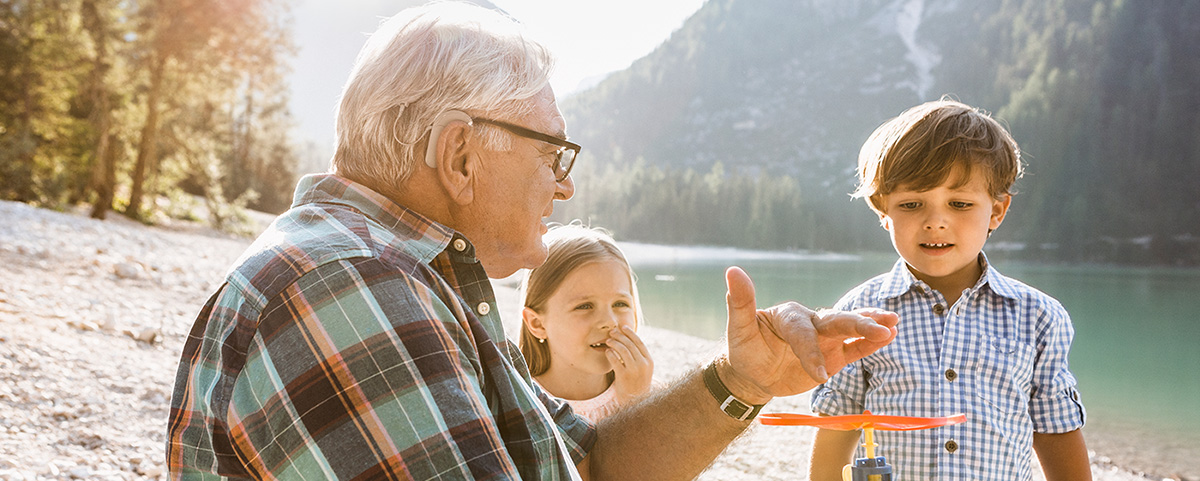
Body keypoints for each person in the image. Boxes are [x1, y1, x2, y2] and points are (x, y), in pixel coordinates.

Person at [166, 3, 899, 480]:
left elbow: (590, 461)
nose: (564, 185)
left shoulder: (406, 278)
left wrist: (743, 380)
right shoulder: (349, 283)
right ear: (460, 155)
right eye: (553, 153)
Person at [808, 99, 1089, 481]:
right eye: (911, 204)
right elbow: (836, 427)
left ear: (996, 211)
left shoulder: (1038, 317)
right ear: (883, 211)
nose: (935, 222)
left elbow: (1056, 430)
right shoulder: (860, 313)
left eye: (959, 204)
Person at [518, 224, 657, 422]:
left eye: (620, 303)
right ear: (537, 324)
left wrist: (638, 403)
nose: (609, 322)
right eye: (584, 306)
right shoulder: (521, 404)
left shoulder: (653, 396)